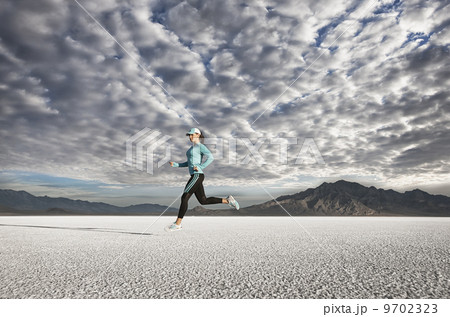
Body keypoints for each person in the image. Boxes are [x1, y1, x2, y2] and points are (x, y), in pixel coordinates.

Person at [166, 127, 239, 231]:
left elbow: (211, 157)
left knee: (185, 197)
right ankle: (228, 200)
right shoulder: (190, 149)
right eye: (189, 135)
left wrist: (201, 167)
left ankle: (178, 223)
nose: (190, 137)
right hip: (195, 176)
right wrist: (176, 164)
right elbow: (189, 163)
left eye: (192, 135)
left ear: (198, 135)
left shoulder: (201, 146)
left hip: (197, 175)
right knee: (203, 200)